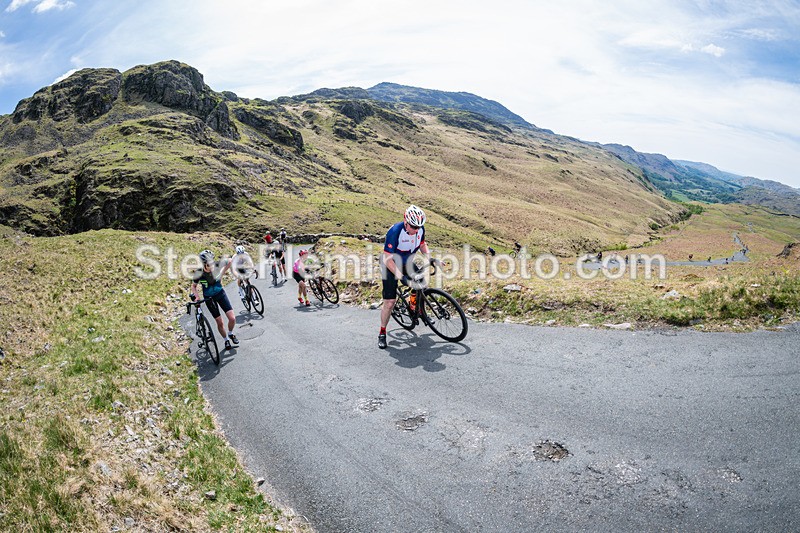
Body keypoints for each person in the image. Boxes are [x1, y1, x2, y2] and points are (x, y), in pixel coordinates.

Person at [378, 205, 429, 349]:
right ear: (406, 221)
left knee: (421, 283)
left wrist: (430, 258)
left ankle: (415, 306)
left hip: (406, 261)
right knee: (390, 302)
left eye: (419, 227)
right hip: (390, 264)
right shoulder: (395, 232)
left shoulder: (420, 229)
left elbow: (422, 244)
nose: (416, 230)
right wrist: (401, 277)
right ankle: (382, 332)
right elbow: (387, 258)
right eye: (413, 226)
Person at [191, 250, 239, 350]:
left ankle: (230, 333)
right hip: (209, 298)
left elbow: (229, 261)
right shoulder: (199, 273)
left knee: (232, 319)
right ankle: (226, 340)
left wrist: (222, 273)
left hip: (220, 294)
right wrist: (197, 297)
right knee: (219, 322)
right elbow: (194, 286)